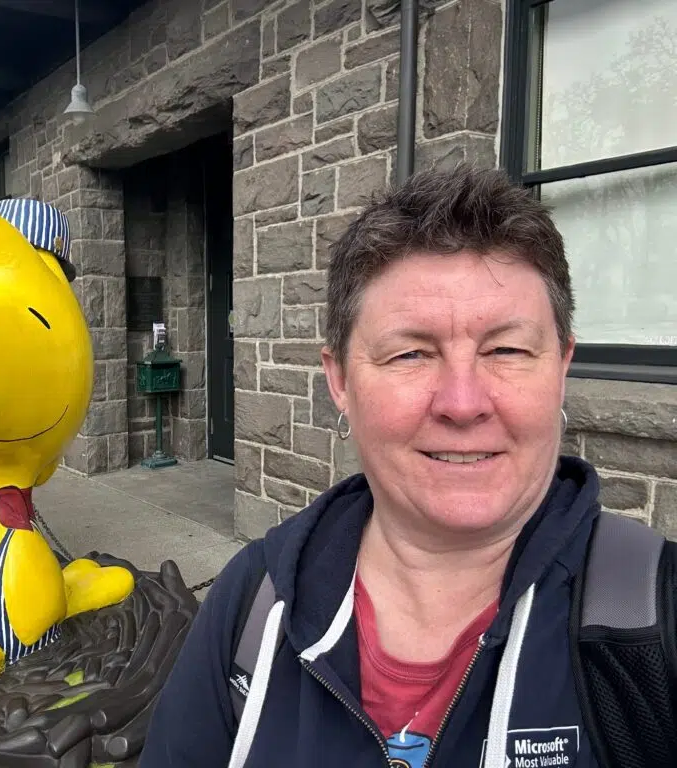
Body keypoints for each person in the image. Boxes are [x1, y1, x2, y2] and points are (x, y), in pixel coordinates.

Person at [141, 166, 622, 767]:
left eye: (506, 349)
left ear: (561, 365)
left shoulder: (651, 622)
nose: (462, 403)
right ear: (339, 379)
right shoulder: (253, 604)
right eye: (411, 353)